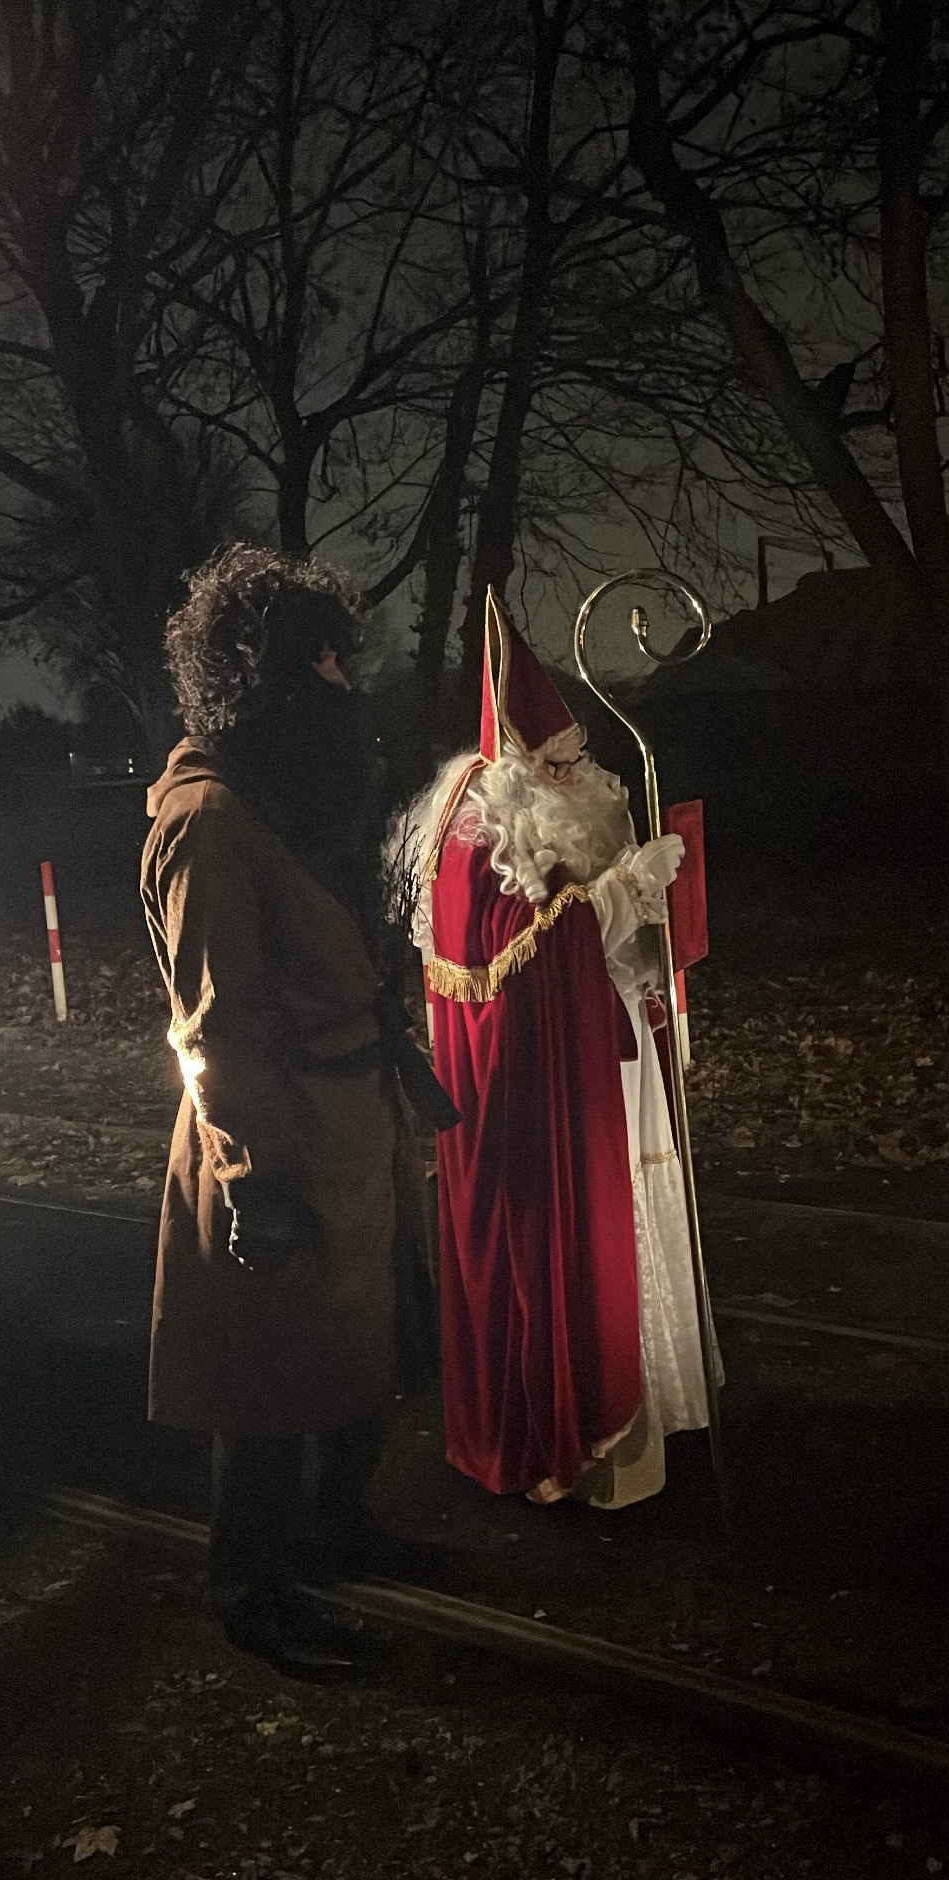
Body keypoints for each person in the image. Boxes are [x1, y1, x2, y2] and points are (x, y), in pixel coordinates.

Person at [142, 543, 436, 1679]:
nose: (342, 680)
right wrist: (253, 1185)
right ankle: (255, 1592)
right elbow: (217, 1028)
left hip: (349, 1117)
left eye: (339, 655)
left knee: (355, 1352)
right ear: (260, 674)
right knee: (266, 1379)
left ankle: (331, 1529)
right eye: (319, 659)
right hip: (275, 1139)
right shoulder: (212, 819)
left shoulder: (287, 803)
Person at [398, 588, 714, 1509]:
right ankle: (585, 1452)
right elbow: (526, 957)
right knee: (577, 1243)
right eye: (558, 763)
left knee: (636, 1215)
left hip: (612, 1047)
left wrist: (658, 920)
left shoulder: (563, 803)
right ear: (519, 765)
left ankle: (656, 1417)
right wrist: (625, 889)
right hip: (546, 1089)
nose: (579, 776)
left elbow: (595, 933)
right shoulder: (476, 832)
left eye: (580, 757)